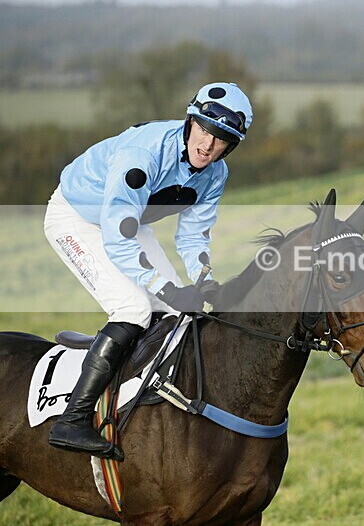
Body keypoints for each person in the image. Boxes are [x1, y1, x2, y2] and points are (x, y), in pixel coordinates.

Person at [43, 82, 253, 459]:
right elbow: (117, 240)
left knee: (177, 314)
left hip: (130, 222)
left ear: (231, 146)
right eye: (203, 130)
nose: (207, 145)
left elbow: (192, 237)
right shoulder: (144, 153)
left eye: (220, 139)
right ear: (190, 122)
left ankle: (146, 404)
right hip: (78, 218)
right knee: (134, 309)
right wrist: (168, 288)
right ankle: (71, 421)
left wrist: (204, 279)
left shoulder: (215, 175)